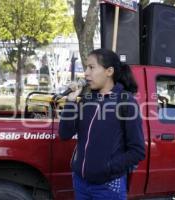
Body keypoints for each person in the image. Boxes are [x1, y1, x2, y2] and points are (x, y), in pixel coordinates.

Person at [59, 49, 145, 199]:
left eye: (91, 67)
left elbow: (137, 150)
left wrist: (107, 168)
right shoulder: (87, 100)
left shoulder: (125, 102)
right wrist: (71, 101)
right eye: (86, 67)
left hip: (108, 186)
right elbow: (65, 134)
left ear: (109, 71)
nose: (86, 73)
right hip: (81, 183)